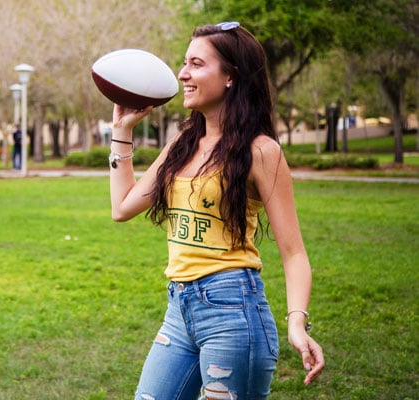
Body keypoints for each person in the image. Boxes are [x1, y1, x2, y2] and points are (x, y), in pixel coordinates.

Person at [108, 22, 324, 399]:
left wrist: (297, 324)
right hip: (179, 309)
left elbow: (294, 252)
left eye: (196, 63)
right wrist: (122, 131)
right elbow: (123, 207)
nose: (182, 73)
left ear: (230, 77)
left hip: (233, 312)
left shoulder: (261, 151)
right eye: (184, 63)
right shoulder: (182, 143)